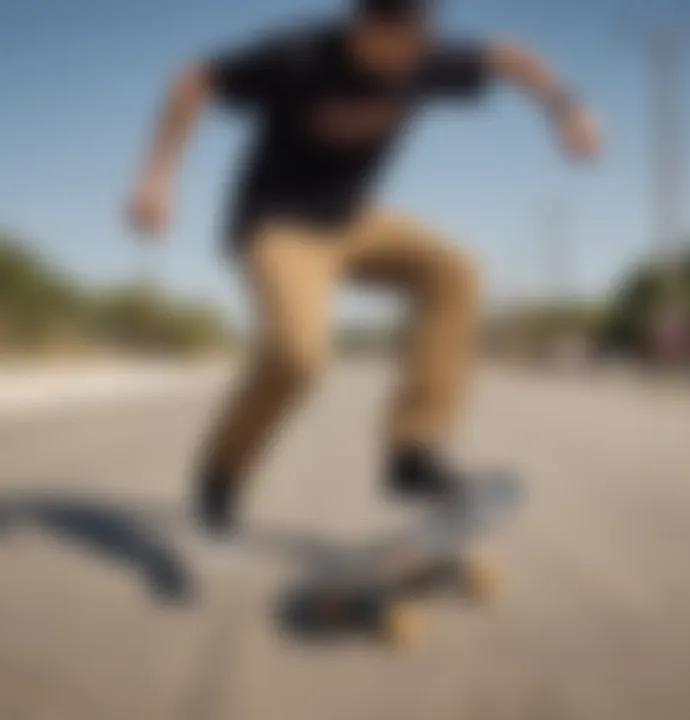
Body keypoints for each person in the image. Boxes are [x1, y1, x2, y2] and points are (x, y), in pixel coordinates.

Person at [128, 0, 601, 538]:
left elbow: (512, 58)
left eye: (421, 38)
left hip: (352, 221)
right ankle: (223, 474)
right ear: (362, 27)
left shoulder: (426, 58)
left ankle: (412, 452)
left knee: (456, 271)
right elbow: (194, 81)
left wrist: (567, 110)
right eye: (397, 41)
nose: (410, 56)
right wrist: (158, 176)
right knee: (298, 357)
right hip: (278, 224)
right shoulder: (298, 56)